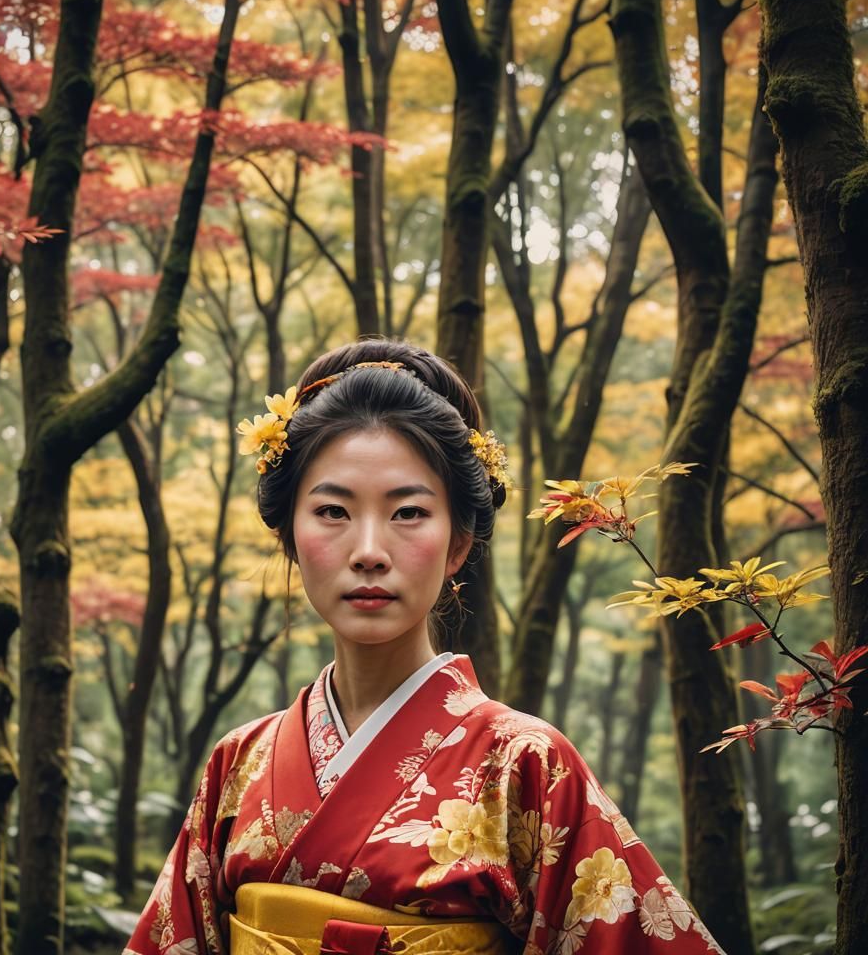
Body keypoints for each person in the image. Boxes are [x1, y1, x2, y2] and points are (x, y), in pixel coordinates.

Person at [124, 340, 724, 955]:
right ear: (290, 539)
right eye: (332, 510)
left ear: (458, 543)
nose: (368, 550)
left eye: (408, 512)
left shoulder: (526, 765)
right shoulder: (237, 764)